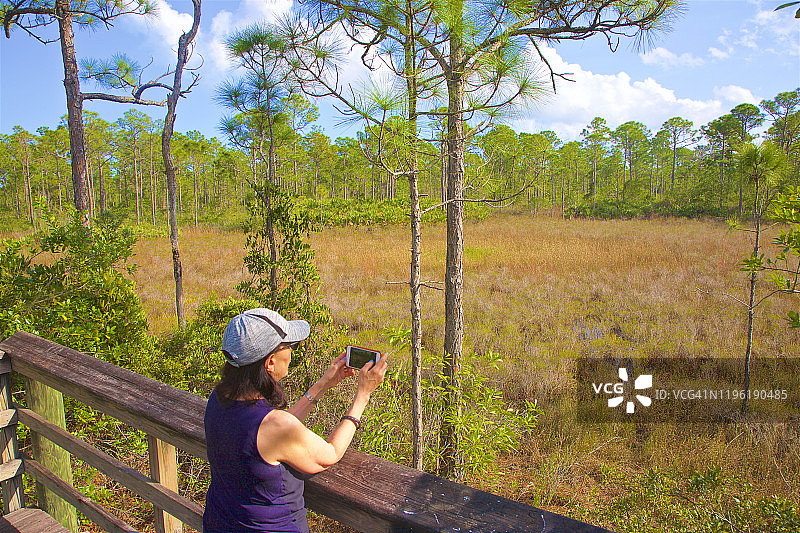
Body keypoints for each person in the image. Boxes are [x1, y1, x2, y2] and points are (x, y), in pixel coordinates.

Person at [203, 308, 388, 533]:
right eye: (289, 346)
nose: (292, 352)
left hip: (220, 523)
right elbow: (330, 454)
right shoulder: (274, 427)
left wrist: (323, 385)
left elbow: (273, 434)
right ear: (270, 362)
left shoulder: (219, 399)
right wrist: (362, 396)